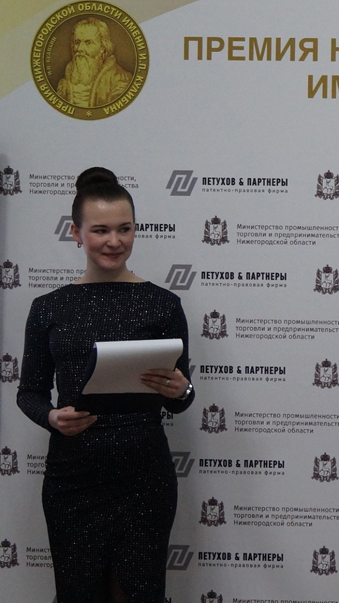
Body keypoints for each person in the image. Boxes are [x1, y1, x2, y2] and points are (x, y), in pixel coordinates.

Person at [18, 167, 195, 603]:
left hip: (144, 477)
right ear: (76, 233)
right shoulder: (48, 308)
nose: (114, 241)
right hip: (73, 477)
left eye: (124, 229)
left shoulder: (164, 304)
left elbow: (181, 398)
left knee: (139, 594)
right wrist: (51, 417)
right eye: (100, 230)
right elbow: (29, 393)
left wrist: (182, 391)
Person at [56, 18, 132, 107]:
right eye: (77, 42)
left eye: (88, 43)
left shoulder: (119, 80)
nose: (79, 48)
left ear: (102, 47)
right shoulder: (65, 82)